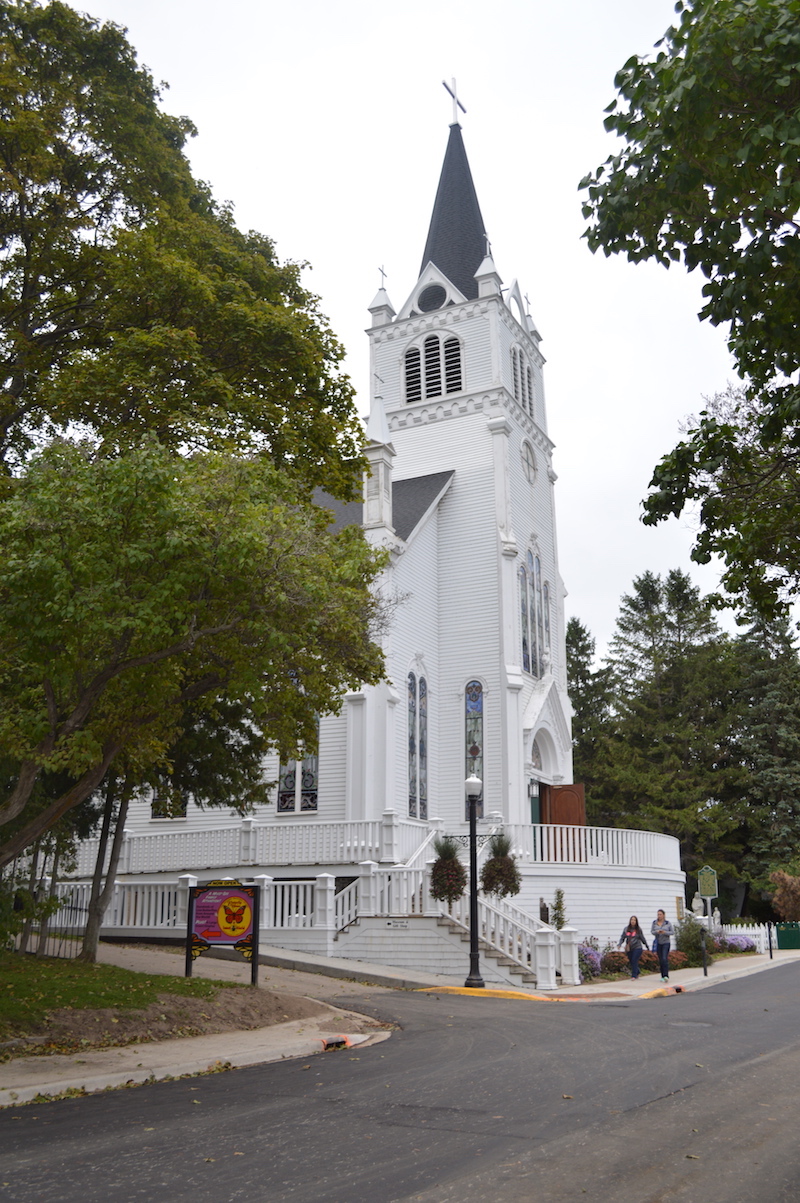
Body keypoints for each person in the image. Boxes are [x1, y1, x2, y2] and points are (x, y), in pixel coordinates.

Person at [651, 909, 675, 982]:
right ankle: (662, 975)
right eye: (658, 914)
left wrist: (665, 932)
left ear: (664, 915)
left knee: (664, 958)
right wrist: (657, 932)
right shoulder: (654, 923)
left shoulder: (667, 923)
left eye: (660, 914)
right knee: (661, 960)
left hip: (666, 943)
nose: (659, 916)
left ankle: (666, 975)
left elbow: (672, 932)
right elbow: (652, 931)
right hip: (658, 942)